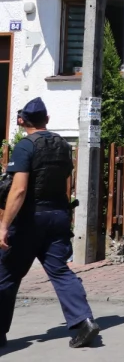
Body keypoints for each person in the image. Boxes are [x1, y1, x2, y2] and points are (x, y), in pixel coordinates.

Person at [0, 98, 99, 348]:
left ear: (22, 121)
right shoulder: (62, 145)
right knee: (60, 271)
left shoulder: (25, 146)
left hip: (30, 218)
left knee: (6, 274)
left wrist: (4, 225)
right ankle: (84, 322)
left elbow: (19, 190)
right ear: (47, 119)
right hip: (58, 215)